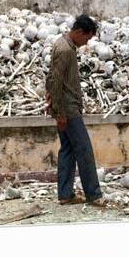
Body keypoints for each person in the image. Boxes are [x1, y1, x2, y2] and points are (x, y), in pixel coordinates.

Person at [45, 14, 108, 207]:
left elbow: (52, 78)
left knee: (68, 150)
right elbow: (55, 80)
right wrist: (60, 112)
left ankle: (65, 194)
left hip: (65, 107)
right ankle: (94, 194)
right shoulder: (66, 50)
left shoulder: (62, 44)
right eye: (87, 38)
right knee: (84, 150)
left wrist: (53, 104)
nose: (86, 42)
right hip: (68, 109)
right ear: (79, 32)